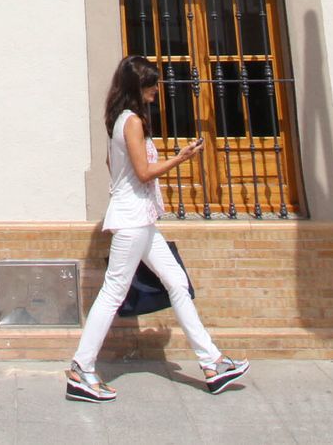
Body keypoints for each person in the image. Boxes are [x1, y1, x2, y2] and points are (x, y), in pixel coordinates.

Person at [64, 55, 249, 402]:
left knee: (176, 281)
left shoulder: (118, 121)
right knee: (113, 292)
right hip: (133, 220)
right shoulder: (131, 122)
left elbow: (112, 164)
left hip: (141, 218)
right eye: (152, 84)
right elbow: (144, 172)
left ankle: (213, 363)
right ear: (138, 87)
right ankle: (81, 369)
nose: (156, 90)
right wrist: (181, 157)